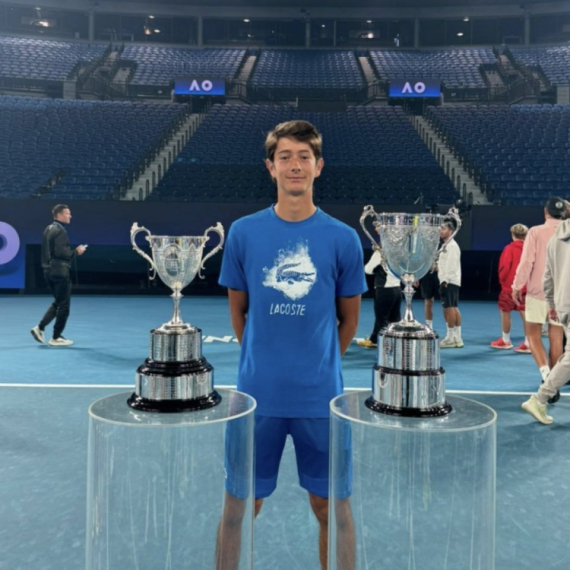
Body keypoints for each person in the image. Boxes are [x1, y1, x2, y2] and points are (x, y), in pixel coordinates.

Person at [216, 120, 366, 570]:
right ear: (271, 167)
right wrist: (264, 361)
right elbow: (240, 313)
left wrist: (318, 365)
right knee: (239, 507)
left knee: (331, 509)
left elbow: (349, 320)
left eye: (304, 157)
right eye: (285, 157)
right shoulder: (243, 233)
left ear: (319, 166)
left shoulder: (343, 238)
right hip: (255, 398)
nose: (295, 165)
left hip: (320, 399)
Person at [522, 212, 570, 424]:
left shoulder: (555, 238)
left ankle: (540, 398)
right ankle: (540, 399)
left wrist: (552, 303)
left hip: (563, 302)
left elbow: (547, 275)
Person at [512, 198, 565, 385]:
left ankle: (545, 375)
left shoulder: (535, 232)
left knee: (533, 335)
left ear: (545, 212)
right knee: (556, 338)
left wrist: (516, 286)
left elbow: (527, 262)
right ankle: (553, 383)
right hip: (561, 295)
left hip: (538, 292)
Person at [31, 204, 86, 347]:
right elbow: (62, 253)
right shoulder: (60, 231)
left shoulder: (48, 229)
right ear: (59, 215)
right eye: (68, 213)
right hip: (60, 271)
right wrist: (77, 252)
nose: (70, 216)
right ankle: (56, 337)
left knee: (59, 302)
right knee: (64, 306)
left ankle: (40, 328)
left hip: (48, 271)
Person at [490, 223, 531, 353]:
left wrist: (503, 282)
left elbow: (504, 267)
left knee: (505, 312)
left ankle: (505, 340)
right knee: (526, 313)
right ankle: (528, 343)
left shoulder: (509, 248)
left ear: (513, 234)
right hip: (526, 286)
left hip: (509, 286)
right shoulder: (530, 249)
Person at [357, 243, 401, 348]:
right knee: (394, 318)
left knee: (382, 318)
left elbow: (368, 269)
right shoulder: (399, 251)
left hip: (384, 289)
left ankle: (381, 344)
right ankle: (386, 341)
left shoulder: (380, 252)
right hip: (397, 288)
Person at [438, 217, 463, 348]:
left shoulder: (451, 246)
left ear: (451, 231)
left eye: (443, 229)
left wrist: (445, 280)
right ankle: (457, 338)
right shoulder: (447, 245)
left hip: (448, 281)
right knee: (453, 307)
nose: (441, 231)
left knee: (449, 308)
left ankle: (450, 337)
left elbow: (451, 265)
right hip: (451, 280)